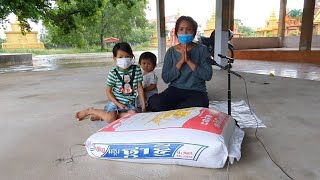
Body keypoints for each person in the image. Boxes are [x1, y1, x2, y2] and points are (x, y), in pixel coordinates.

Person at [147, 16, 213, 112]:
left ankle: (178, 109)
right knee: (155, 102)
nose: (185, 32)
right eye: (181, 29)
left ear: (194, 32)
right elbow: (166, 78)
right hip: (175, 89)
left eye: (188, 29)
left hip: (196, 90)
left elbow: (207, 76)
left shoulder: (202, 50)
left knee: (199, 105)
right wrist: (181, 62)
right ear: (177, 32)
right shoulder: (171, 52)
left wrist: (189, 61)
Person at [75, 42, 146, 123]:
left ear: (132, 56)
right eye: (120, 57)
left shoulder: (136, 70)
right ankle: (90, 111)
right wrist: (118, 104)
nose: (124, 59)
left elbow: (140, 87)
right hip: (115, 103)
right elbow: (108, 92)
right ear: (114, 58)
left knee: (134, 115)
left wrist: (143, 104)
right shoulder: (113, 73)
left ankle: (102, 116)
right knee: (110, 119)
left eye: (127, 56)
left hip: (129, 104)